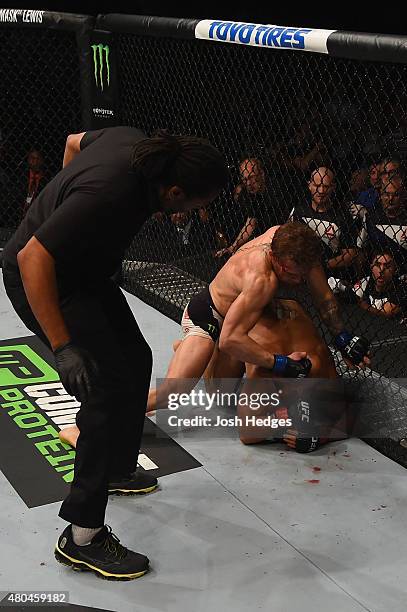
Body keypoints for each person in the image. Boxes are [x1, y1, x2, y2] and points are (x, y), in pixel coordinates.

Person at [1, 126, 229, 581]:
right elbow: (31, 258)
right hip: (42, 281)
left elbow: (69, 141)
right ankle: (81, 537)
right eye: (194, 205)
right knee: (102, 389)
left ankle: (119, 469)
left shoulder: (138, 145)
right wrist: (64, 347)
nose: (192, 213)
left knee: (135, 357)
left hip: (83, 275)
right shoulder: (113, 193)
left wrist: (67, 214)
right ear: (175, 191)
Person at [148, 222, 370, 412]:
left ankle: (200, 351)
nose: (298, 281)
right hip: (208, 317)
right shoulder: (262, 280)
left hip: (239, 314)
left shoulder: (289, 239)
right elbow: (229, 339)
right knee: (175, 394)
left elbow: (323, 297)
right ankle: (121, 414)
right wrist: (278, 362)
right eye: (291, 274)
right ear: (274, 256)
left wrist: (343, 338)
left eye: (302, 275)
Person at [205, 299, 350, 450]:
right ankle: (210, 336)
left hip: (290, 312)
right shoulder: (263, 374)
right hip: (239, 324)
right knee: (218, 392)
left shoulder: (320, 370)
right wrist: (284, 416)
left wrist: (319, 437)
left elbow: (347, 416)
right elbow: (247, 433)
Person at [289, 167, 359, 290]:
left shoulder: (343, 216)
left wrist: (323, 265)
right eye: (317, 185)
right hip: (300, 274)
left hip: (331, 278)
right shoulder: (299, 211)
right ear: (309, 185)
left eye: (326, 186)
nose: (321, 191)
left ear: (333, 187)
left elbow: (350, 254)